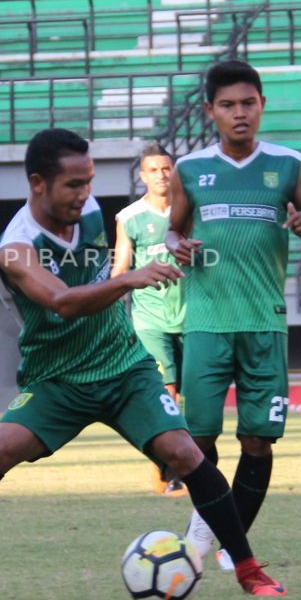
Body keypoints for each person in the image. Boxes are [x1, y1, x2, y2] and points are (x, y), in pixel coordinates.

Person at [0, 128, 287, 600]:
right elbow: (63, 302)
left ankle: (248, 570)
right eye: (73, 184)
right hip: (57, 379)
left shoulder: (86, 212)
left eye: (89, 181)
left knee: (186, 454)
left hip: (124, 367)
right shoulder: (15, 249)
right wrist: (130, 279)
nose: (85, 194)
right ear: (38, 183)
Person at [165, 60, 301, 570]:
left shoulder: (288, 165)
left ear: (262, 105)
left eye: (248, 103)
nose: (239, 114)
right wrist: (178, 244)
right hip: (205, 321)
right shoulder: (189, 169)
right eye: (227, 105)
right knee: (195, 440)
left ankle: (226, 542)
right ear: (210, 111)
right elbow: (173, 229)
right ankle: (207, 530)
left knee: (258, 439)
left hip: (264, 320)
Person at [113, 142, 188, 497]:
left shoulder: (190, 211)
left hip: (193, 316)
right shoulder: (129, 218)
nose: (161, 175)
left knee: (194, 399)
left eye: (165, 168)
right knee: (166, 392)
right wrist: (112, 316)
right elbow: (120, 270)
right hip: (150, 319)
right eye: (153, 170)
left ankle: (184, 463)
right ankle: (171, 471)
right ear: (142, 176)